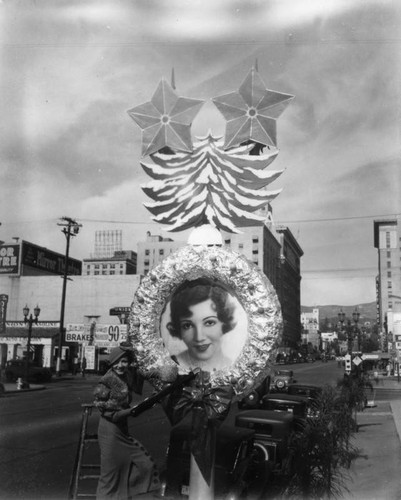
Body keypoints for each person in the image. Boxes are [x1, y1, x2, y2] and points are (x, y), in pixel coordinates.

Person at [93, 345, 160, 500]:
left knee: (144, 465)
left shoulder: (127, 375)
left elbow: (139, 384)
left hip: (122, 430)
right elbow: (109, 413)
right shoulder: (106, 381)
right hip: (110, 431)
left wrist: (156, 391)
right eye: (117, 361)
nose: (120, 365)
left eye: (124, 361)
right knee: (110, 477)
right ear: (111, 362)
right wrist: (132, 411)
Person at [167, 278, 237, 372]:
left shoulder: (236, 367)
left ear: (224, 322)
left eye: (209, 323)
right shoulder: (170, 366)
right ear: (178, 329)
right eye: (187, 325)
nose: (199, 337)